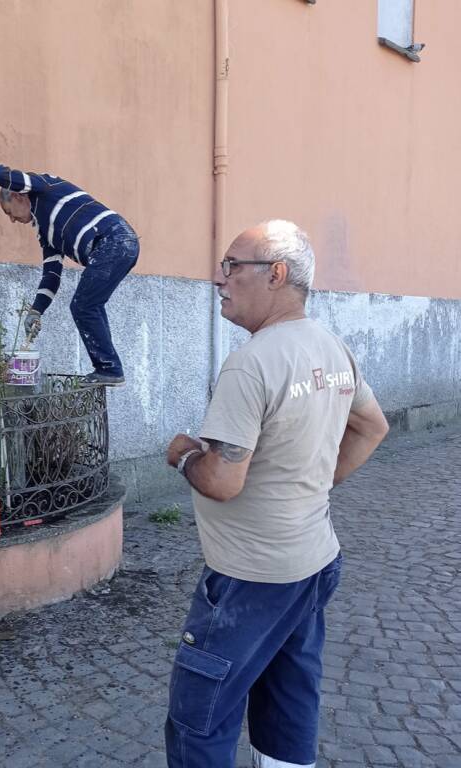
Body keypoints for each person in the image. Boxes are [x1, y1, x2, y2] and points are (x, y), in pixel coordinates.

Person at [165, 221, 389, 767]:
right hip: (313, 561)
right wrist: (312, 484)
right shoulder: (330, 346)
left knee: (198, 716)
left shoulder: (253, 361)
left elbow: (222, 480)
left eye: (231, 266)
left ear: (277, 274)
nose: (219, 279)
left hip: (251, 576)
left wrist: (184, 455)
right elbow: (372, 427)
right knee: (289, 699)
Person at [0, 142, 139, 386]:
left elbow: (9, 176)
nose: (13, 220)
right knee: (90, 304)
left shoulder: (45, 186)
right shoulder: (46, 231)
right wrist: (36, 311)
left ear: (17, 196)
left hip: (113, 238)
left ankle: (109, 370)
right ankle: (110, 369)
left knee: (83, 305)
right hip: (115, 245)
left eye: (9, 212)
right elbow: (51, 275)